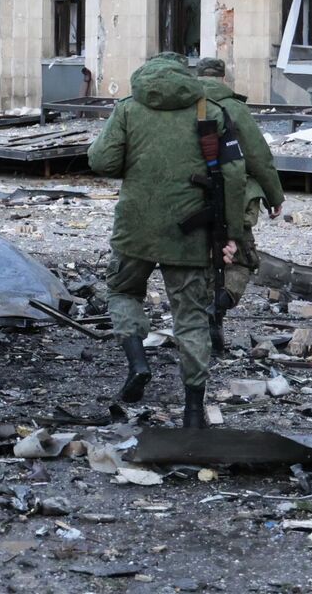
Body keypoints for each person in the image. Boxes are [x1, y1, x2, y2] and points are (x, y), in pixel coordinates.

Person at [87, 52, 246, 428]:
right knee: (190, 317)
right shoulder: (210, 111)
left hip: (134, 229)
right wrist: (233, 233)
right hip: (190, 233)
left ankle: (138, 362)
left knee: (123, 292)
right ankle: (193, 410)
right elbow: (235, 175)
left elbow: (102, 162)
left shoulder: (128, 108)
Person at [194, 58, 284, 355]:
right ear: (223, 78)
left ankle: (204, 326)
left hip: (191, 198)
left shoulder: (185, 106)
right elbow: (258, 156)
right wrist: (275, 197)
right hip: (236, 197)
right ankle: (216, 310)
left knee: (204, 259)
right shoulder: (234, 107)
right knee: (242, 258)